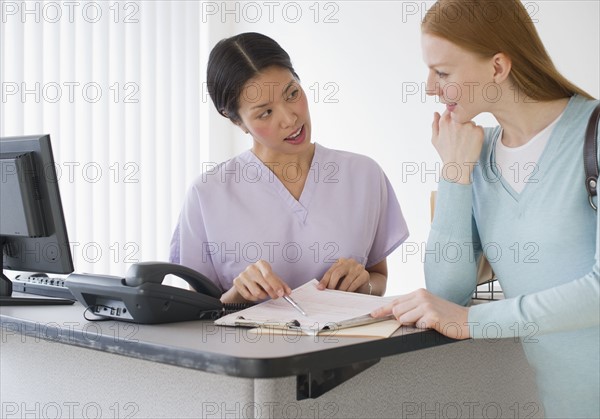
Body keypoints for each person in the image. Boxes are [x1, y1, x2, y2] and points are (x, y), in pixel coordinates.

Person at [371, 0, 599, 417]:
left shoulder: (593, 135)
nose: (428, 88)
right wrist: (455, 174)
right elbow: (446, 293)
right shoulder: (478, 155)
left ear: (497, 67)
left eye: (442, 73)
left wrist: (474, 322)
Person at [170, 32, 409, 304]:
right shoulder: (207, 195)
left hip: (346, 346)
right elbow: (197, 314)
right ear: (236, 121)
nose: (290, 118)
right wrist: (235, 298)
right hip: (248, 347)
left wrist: (364, 283)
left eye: (292, 93)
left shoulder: (364, 175)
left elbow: (378, 278)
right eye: (265, 113)